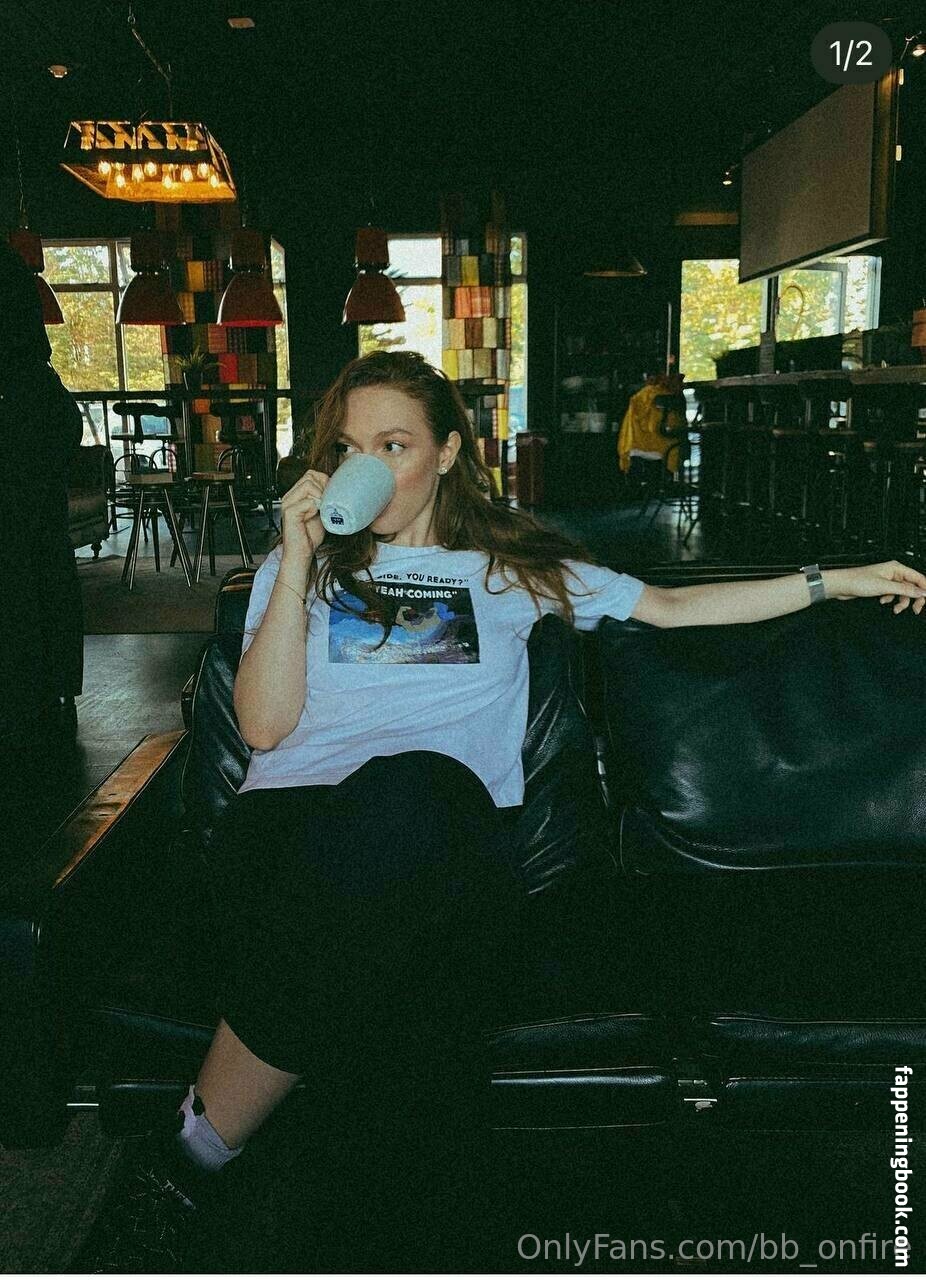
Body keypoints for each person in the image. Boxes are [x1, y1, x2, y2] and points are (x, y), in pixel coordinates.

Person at [83, 349, 926, 1272]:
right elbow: (263, 726)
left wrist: (833, 580)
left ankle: (192, 1157)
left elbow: (671, 608)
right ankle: (370, 1223)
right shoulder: (306, 571)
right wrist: (294, 560)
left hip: (443, 836)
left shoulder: (510, 570)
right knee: (411, 972)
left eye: (394, 444)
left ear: (447, 453)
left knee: (419, 790)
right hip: (293, 838)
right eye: (350, 447)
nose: (368, 465)